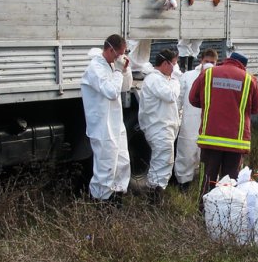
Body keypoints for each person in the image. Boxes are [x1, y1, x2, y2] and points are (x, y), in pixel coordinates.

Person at [189, 52, 258, 211]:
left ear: (227, 59)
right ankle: (227, 216)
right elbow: (257, 108)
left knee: (207, 179)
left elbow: (193, 99)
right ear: (243, 65)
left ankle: (203, 213)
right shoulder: (249, 79)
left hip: (210, 139)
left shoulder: (208, 73)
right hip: (235, 142)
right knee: (230, 182)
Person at [80, 34, 133, 206]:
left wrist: (124, 71)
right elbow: (111, 92)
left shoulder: (111, 65)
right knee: (105, 166)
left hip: (116, 123)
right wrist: (118, 71)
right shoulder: (95, 68)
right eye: (120, 53)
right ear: (111, 50)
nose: (121, 57)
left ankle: (116, 198)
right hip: (102, 126)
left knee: (122, 162)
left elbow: (125, 87)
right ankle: (100, 203)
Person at [138, 48, 181, 204]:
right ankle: (154, 199)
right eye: (174, 64)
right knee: (162, 162)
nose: (175, 68)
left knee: (163, 161)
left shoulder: (161, 79)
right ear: (165, 64)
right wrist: (176, 81)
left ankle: (155, 195)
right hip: (159, 128)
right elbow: (170, 96)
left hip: (164, 128)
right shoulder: (155, 80)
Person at [174, 48, 219, 191]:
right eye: (207, 62)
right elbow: (179, 98)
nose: (209, 65)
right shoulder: (188, 76)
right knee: (186, 152)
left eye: (212, 62)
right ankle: (183, 183)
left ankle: (209, 184)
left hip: (210, 123)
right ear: (201, 60)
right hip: (190, 121)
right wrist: (176, 117)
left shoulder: (218, 77)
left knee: (209, 155)